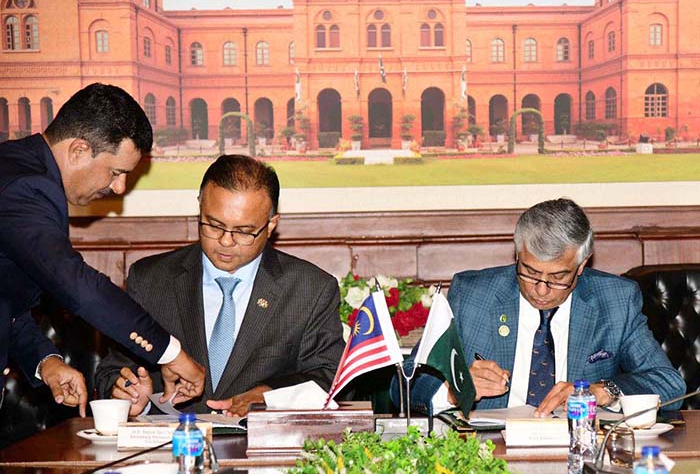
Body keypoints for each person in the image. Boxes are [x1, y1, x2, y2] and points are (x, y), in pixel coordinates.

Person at [0, 83, 205, 418]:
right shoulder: (24, 188)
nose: (119, 187)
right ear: (79, 150)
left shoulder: (21, 173)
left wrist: (46, 362)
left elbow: (6, 302)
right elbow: (76, 285)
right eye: (116, 172)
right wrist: (169, 353)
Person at [94, 154, 345, 416]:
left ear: (271, 225)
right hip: (169, 447)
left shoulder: (310, 289)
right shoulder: (151, 279)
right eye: (213, 226)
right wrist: (130, 394)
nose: (226, 241)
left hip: (261, 449)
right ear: (200, 208)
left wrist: (270, 395)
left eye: (244, 231)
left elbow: (329, 377)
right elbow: (112, 369)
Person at [394, 198, 686, 415]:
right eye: (531, 273)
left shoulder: (615, 300)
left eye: (558, 277)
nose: (542, 290)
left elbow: (670, 383)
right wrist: (453, 391)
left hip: (580, 452)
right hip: (490, 455)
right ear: (517, 255)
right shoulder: (473, 296)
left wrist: (604, 391)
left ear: (582, 265)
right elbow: (403, 385)